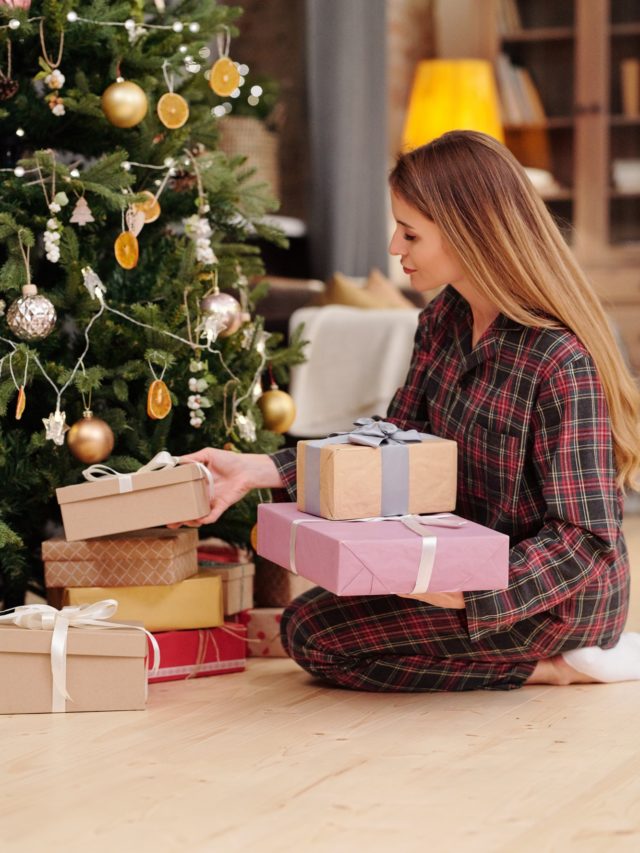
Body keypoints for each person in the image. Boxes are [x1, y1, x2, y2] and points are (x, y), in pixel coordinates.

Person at [179, 130, 640, 692]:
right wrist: (265, 469)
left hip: (550, 601)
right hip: (454, 562)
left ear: (472, 233)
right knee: (316, 614)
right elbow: (398, 439)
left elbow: (585, 540)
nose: (395, 247)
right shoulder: (443, 319)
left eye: (411, 233)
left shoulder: (559, 360)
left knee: (315, 637)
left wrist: (474, 591)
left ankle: (561, 666)